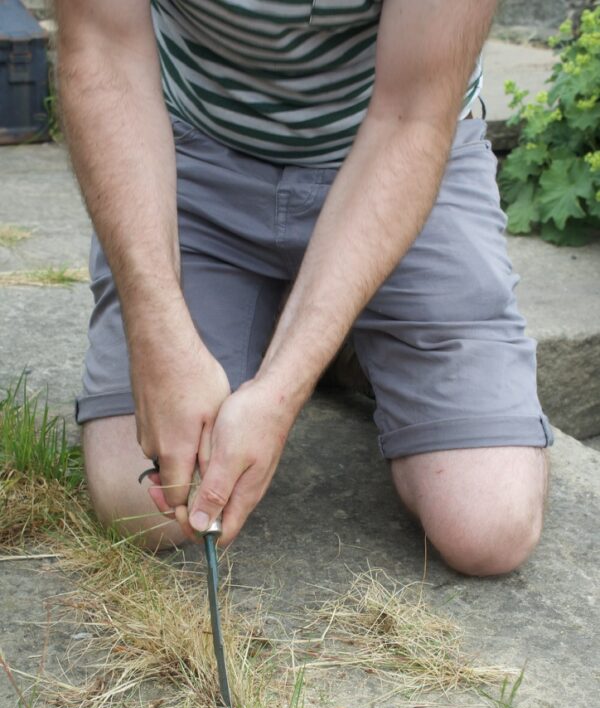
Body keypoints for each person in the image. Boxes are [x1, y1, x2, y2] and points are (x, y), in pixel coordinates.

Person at [56, 0, 552, 576]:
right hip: (198, 151)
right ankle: (316, 329)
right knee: (144, 504)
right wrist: (157, 332)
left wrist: (284, 388)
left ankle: (329, 339)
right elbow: (102, 54)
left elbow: (411, 116)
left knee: (488, 525)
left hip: (402, 157)